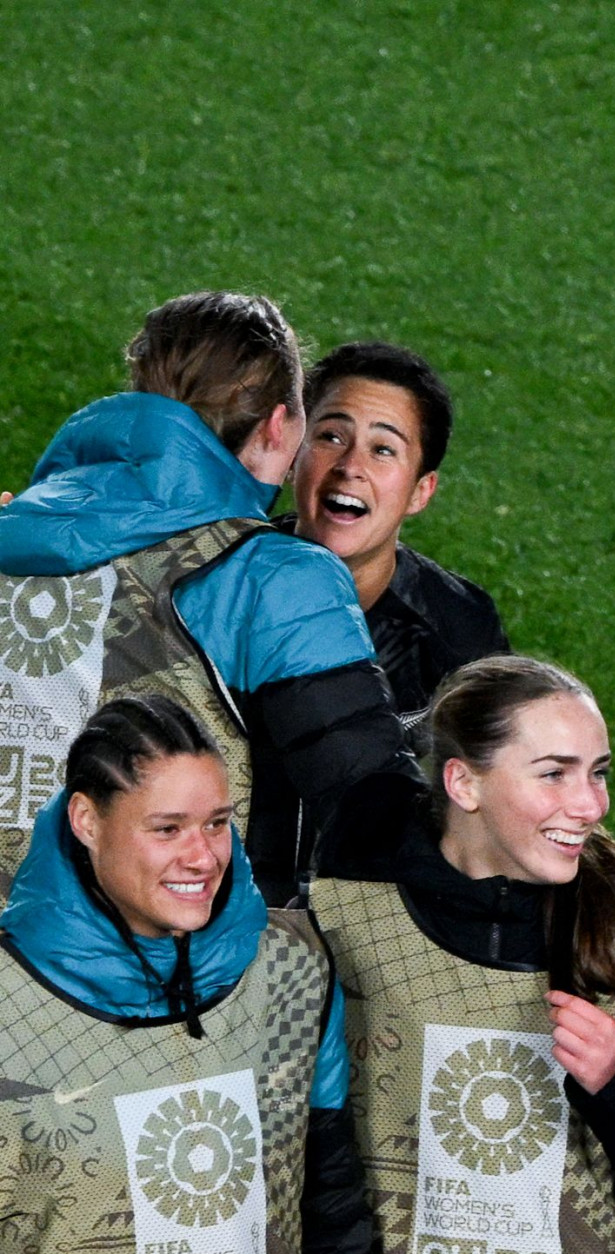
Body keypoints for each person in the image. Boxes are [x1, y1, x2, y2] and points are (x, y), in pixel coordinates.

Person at [307, 656, 615, 1254]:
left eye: (598, 773)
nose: (590, 805)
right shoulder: (341, 915)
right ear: (463, 783)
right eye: (554, 774)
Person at [0, 291, 422, 906]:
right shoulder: (275, 576)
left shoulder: (14, 531)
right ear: (279, 426)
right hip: (175, 956)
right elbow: (371, 807)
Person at [0, 694, 374, 1254]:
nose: (202, 857)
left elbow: (333, 1208)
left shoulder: (293, 970)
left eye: (217, 824)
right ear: (86, 821)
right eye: (168, 829)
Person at [288, 340, 510, 724]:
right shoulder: (217, 583)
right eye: (332, 437)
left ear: (420, 491)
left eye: (383, 450)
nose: (350, 466)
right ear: (293, 455)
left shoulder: (460, 631)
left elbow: (495, 755)